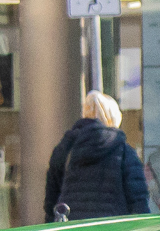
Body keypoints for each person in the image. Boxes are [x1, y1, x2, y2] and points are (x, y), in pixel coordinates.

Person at [45, 91, 149, 222]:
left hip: (70, 230)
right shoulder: (124, 151)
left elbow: (51, 201)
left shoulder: (65, 148)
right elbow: (138, 200)